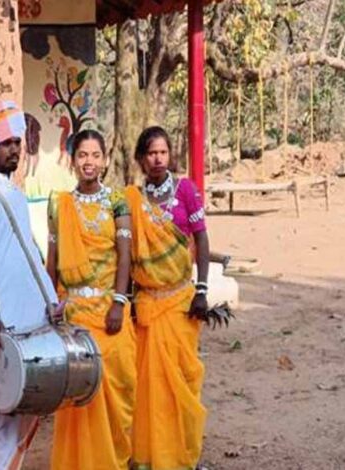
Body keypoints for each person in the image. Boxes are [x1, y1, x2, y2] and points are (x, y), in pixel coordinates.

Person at [0, 100, 61, 470]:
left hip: (31, 315)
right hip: (0, 320)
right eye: (6, 144)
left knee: (28, 400)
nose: (14, 150)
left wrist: (51, 300)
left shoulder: (16, 194)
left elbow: (31, 254)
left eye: (17, 142)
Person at [45, 130, 137, 470]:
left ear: (105, 160)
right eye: (82, 155)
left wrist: (118, 303)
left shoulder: (117, 201)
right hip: (74, 318)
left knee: (118, 392)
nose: (89, 162)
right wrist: (50, 302)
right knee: (78, 400)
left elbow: (124, 256)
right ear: (72, 161)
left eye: (95, 155)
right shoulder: (59, 204)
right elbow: (53, 260)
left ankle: (113, 461)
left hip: (109, 314)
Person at [127, 126, 210, 470]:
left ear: (170, 155)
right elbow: (126, 253)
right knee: (148, 385)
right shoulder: (132, 200)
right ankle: (149, 457)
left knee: (181, 382)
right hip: (146, 305)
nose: (158, 159)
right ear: (141, 158)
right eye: (151, 153)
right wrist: (126, 300)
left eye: (163, 152)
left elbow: (201, 239)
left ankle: (182, 456)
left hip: (180, 302)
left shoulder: (186, 190)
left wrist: (202, 289)